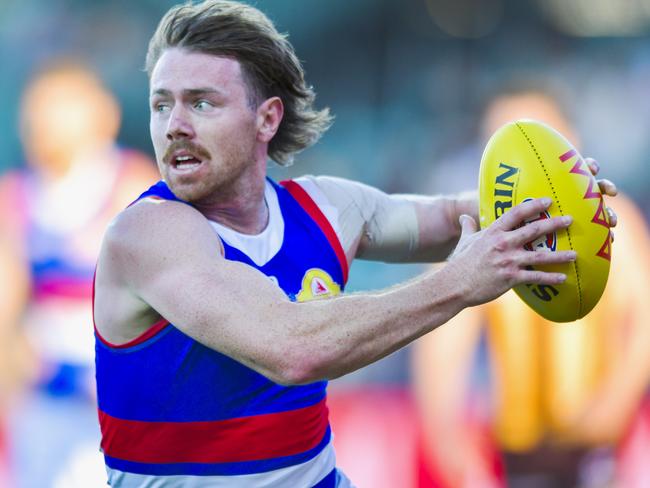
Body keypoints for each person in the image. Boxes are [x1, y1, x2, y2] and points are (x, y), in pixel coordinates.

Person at [92, 2, 617, 487]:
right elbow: (291, 349)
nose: (174, 127)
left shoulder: (327, 210)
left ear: (267, 118)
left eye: (202, 103)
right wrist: (459, 282)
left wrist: (553, 203)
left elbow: (451, 214)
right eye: (162, 106)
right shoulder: (146, 234)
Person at [413, 85, 647, 488]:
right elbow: (441, 351)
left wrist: (615, 405)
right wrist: (455, 451)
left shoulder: (615, 219)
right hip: (516, 452)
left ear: (570, 138)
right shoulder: (480, 235)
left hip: (599, 449)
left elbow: (643, 323)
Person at [0, 62, 158, 487]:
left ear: (100, 115)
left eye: (56, 111)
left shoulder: (135, 187)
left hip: (125, 406)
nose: (42, 126)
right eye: (35, 114)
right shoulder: (14, 198)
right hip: (46, 405)